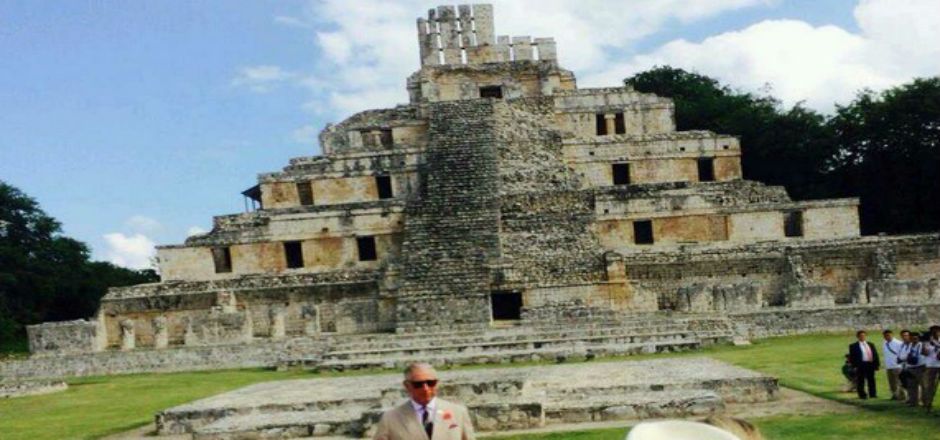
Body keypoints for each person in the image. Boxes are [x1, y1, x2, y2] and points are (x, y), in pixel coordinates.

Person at [372, 362, 475, 440]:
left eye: (430, 383)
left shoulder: (458, 413)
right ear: (407, 386)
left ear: (437, 383)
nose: (425, 389)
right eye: (418, 384)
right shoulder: (390, 419)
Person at [848, 330, 879, 399]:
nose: (862, 337)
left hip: (870, 364)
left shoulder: (871, 344)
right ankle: (862, 394)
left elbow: (875, 355)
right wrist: (854, 366)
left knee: (871, 380)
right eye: (861, 336)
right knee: (861, 380)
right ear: (858, 337)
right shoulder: (853, 346)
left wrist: (876, 365)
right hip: (861, 365)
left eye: (864, 336)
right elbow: (852, 357)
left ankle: (872, 394)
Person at [898, 329, 925, 407]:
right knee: (911, 386)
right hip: (910, 367)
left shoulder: (921, 345)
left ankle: (925, 402)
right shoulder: (908, 345)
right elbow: (904, 355)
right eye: (912, 338)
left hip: (920, 367)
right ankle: (913, 402)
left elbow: (922, 355)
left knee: (923, 386)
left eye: (915, 338)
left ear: (918, 338)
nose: (914, 339)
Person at [882, 329, 906, 401]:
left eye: (888, 335)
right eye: (885, 336)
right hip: (889, 366)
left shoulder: (898, 343)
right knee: (892, 383)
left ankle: (902, 396)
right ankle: (895, 395)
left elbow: (902, 354)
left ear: (892, 335)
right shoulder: (884, 343)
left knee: (899, 382)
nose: (887, 337)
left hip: (897, 366)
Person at [921, 325, 940, 413]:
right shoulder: (927, 341)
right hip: (931, 365)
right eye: (934, 331)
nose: (936, 333)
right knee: (929, 385)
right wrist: (927, 344)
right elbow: (924, 353)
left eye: (937, 331)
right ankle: (928, 403)